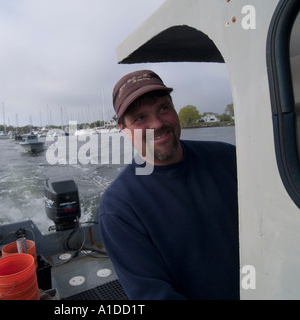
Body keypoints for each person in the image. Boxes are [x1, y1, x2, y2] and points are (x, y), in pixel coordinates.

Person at [98, 70, 239, 300]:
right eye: (140, 118)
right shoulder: (118, 208)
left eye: (163, 108)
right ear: (123, 128)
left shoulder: (228, 157)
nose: (157, 124)